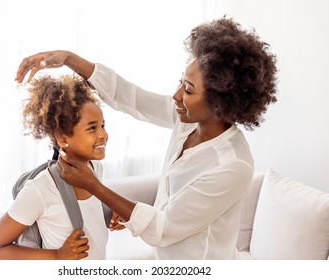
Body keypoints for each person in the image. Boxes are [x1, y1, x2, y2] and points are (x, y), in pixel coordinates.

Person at [15, 17, 277, 259]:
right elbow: (133, 98)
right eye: (181, 83)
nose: (176, 96)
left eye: (188, 89)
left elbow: (163, 228)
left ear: (221, 100)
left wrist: (95, 186)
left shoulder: (232, 165)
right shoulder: (187, 122)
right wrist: (69, 58)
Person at [0, 74, 119, 260]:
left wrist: (110, 213)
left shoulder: (95, 169)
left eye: (103, 126)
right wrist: (57, 255)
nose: (104, 135)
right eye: (92, 128)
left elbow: (89, 216)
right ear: (63, 139)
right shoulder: (41, 188)